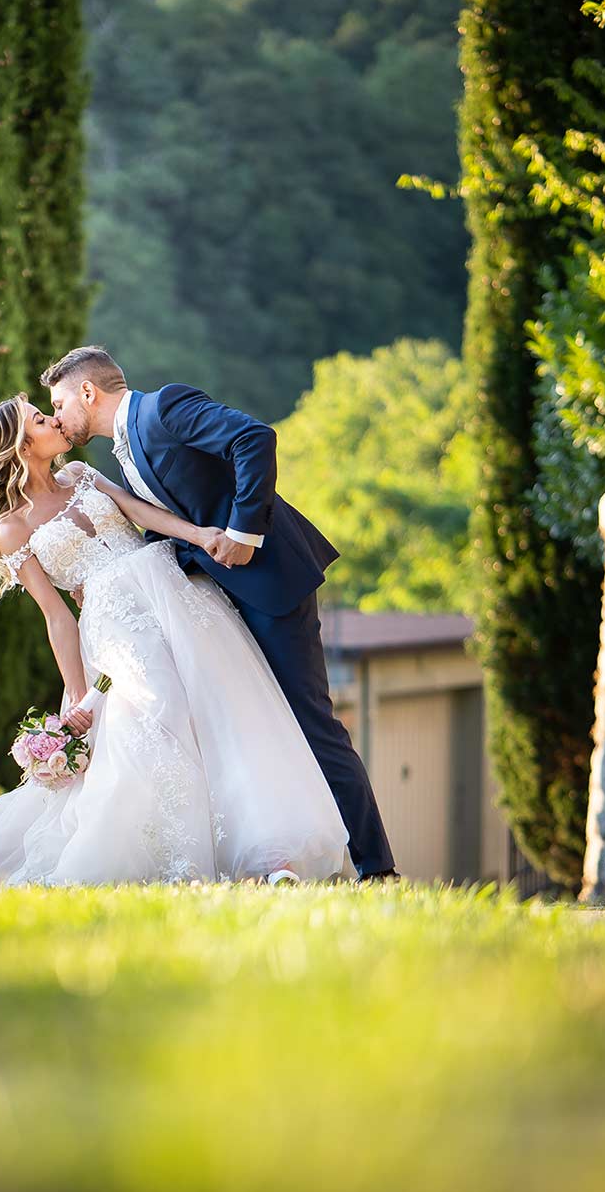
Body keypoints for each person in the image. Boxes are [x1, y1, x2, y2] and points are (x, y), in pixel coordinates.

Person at [0, 394, 350, 892]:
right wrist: (80, 695)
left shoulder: (80, 473)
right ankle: (175, 859)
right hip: (114, 624)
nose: (52, 419)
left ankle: (269, 855)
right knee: (159, 709)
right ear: (21, 447)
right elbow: (57, 618)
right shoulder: (11, 528)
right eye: (39, 420)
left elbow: (141, 514)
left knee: (224, 706)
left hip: (172, 592)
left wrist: (201, 533)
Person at [42, 346, 397, 882]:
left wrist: (243, 532)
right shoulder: (121, 453)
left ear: (87, 392)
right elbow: (171, 526)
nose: (59, 417)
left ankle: (377, 869)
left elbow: (254, 438)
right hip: (215, 601)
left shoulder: (163, 409)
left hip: (270, 582)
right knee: (249, 726)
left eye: (59, 402)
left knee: (310, 722)